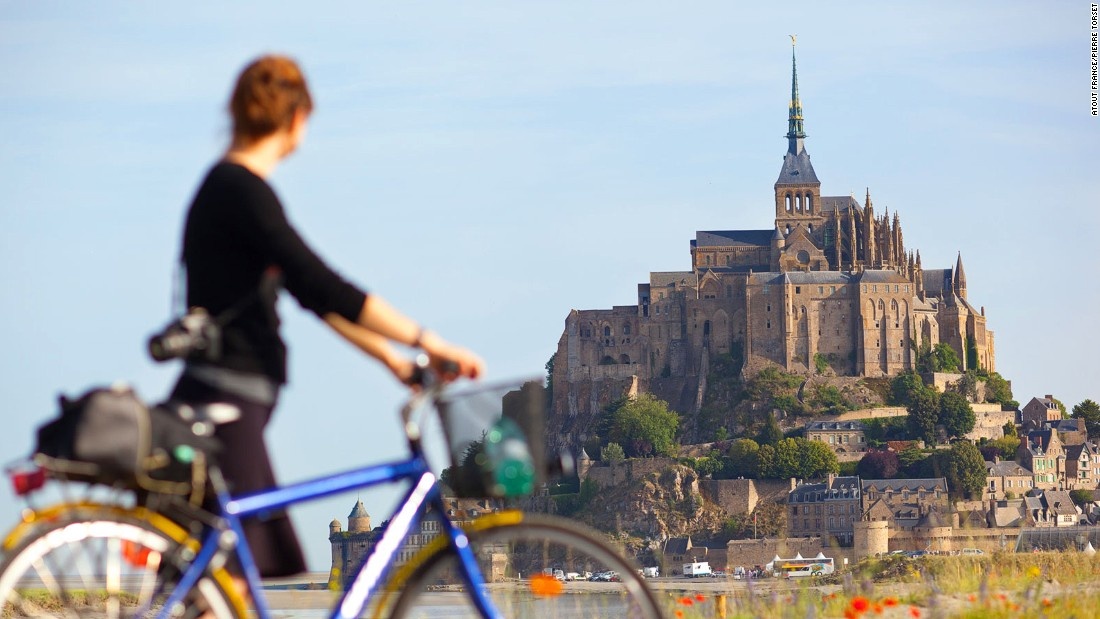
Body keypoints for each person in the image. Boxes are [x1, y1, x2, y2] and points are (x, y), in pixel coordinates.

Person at [169, 54, 483, 578]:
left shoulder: (224, 190)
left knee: (230, 580)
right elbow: (322, 284)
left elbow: (314, 300)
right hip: (230, 398)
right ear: (296, 120)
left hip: (226, 394)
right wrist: (428, 340)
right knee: (231, 578)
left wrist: (393, 360)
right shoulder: (241, 191)